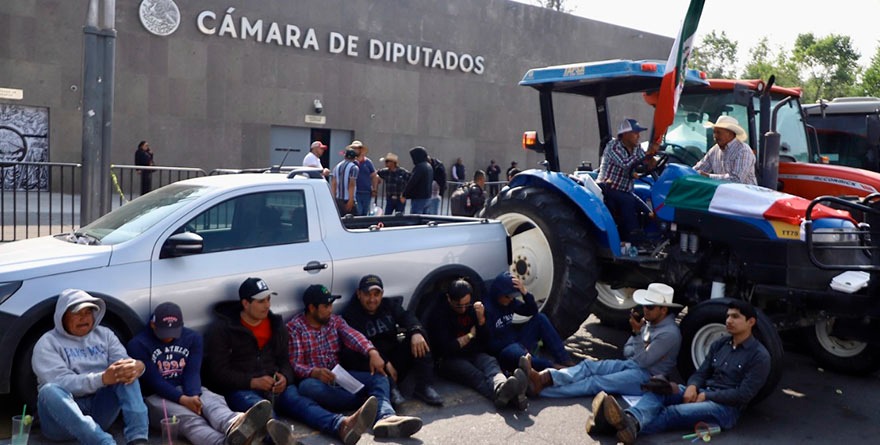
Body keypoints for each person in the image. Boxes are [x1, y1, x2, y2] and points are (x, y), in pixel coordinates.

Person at [204, 278, 377, 445]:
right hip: (243, 389)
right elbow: (217, 372)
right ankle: (282, 439)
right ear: (245, 303)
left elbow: (286, 361)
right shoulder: (222, 329)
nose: (267, 305)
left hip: (276, 386)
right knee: (262, 413)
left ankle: (341, 425)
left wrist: (285, 377)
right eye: (260, 301)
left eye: (268, 299)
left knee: (303, 404)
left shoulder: (275, 324)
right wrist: (252, 382)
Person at [598, 300, 770, 445]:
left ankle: (610, 426)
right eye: (727, 316)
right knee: (659, 389)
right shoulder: (721, 343)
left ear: (751, 322)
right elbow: (701, 372)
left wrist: (707, 397)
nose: (729, 320)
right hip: (703, 393)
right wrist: (693, 387)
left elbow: (743, 395)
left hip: (725, 410)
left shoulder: (759, 356)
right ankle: (630, 420)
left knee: (673, 412)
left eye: (735, 317)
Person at [127, 302, 276, 445]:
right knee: (190, 420)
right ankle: (222, 443)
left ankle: (237, 426)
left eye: (174, 333)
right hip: (157, 396)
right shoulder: (138, 344)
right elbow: (154, 381)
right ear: (153, 325)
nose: (169, 337)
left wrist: (193, 395)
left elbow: (192, 371)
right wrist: (183, 400)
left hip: (189, 388)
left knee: (213, 404)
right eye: (164, 332)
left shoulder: (192, 338)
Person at [288, 284, 423, 439]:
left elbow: (353, 336)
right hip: (318, 381)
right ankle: (367, 403)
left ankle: (386, 417)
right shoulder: (295, 328)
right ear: (312, 308)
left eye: (331, 305)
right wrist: (314, 372)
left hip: (341, 376)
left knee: (379, 377)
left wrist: (372, 352)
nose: (330, 309)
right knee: (307, 387)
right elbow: (294, 364)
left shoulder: (334, 321)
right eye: (326, 306)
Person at [531, 283, 681, 408]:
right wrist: (640, 342)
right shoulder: (650, 322)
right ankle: (545, 377)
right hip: (633, 364)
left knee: (595, 383)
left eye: (650, 306)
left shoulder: (669, 334)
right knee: (589, 366)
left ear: (664, 310)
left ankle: (540, 390)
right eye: (645, 305)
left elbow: (642, 360)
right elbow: (628, 350)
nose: (645, 310)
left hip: (646, 377)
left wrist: (637, 335)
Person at [31, 289, 149, 445]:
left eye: (88, 312)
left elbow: (124, 363)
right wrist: (103, 379)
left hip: (99, 411)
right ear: (62, 316)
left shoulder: (105, 334)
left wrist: (138, 367)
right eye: (77, 313)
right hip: (60, 421)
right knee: (48, 390)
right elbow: (61, 383)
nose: (83, 318)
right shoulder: (47, 343)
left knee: (125, 374)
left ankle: (138, 439)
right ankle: (103, 442)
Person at [424, 278, 528, 410]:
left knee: (491, 364)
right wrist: (469, 336)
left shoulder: (472, 309)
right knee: (474, 375)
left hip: (473, 352)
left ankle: (502, 387)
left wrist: (481, 321)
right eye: (458, 305)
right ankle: (512, 397)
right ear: (449, 299)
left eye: (466, 304)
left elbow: (485, 340)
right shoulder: (439, 315)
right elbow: (447, 348)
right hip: (449, 359)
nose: (462, 309)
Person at [341, 274, 443, 407]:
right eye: (367, 294)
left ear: (381, 294)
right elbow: (360, 344)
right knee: (352, 353)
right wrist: (385, 362)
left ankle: (424, 386)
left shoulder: (388, 305)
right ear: (359, 294)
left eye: (376, 294)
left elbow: (407, 316)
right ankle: (390, 389)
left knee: (420, 336)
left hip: (395, 359)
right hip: (373, 363)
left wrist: (416, 331)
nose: (372, 299)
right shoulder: (351, 314)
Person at [484, 272, 574, 372]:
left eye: (512, 297)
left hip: (517, 341)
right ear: (499, 294)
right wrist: (515, 345)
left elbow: (532, 311)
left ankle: (565, 360)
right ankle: (554, 367)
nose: (510, 300)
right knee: (517, 354)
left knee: (540, 318)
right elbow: (490, 344)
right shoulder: (488, 309)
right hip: (504, 350)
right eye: (508, 297)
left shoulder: (510, 302)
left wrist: (525, 293)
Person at [596, 118, 659, 243]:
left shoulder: (636, 148)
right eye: (635, 133)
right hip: (608, 188)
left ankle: (653, 239)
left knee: (650, 213)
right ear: (625, 135)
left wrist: (652, 159)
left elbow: (644, 162)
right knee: (628, 201)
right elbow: (625, 164)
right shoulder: (613, 146)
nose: (638, 136)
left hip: (626, 190)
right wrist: (645, 156)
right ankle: (633, 240)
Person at [693, 116, 758, 185]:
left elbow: (736, 180)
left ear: (730, 134)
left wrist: (708, 176)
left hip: (745, 195)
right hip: (723, 193)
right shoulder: (714, 150)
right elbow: (699, 169)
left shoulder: (743, 150)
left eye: (718, 132)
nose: (715, 136)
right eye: (714, 132)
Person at [350, 140, 379, 216]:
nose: (355, 150)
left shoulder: (368, 162)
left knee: (365, 212)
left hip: (366, 192)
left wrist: (374, 189)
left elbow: (374, 176)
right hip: (355, 192)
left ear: (360, 149)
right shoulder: (351, 162)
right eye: (353, 148)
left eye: (356, 148)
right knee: (358, 211)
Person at [403, 146, 434, 214]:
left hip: (418, 198)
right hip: (427, 197)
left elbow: (412, 182)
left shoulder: (420, 167)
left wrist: (404, 194)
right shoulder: (429, 166)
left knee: (415, 220)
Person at [330, 148, 360, 216]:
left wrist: (333, 198)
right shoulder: (354, 168)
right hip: (347, 198)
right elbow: (351, 184)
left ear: (345, 156)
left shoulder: (337, 167)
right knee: (354, 222)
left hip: (338, 198)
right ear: (354, 158)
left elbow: (334, 183)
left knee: (341, 220)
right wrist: (351, 200)